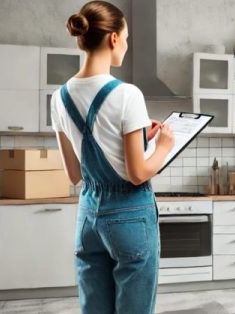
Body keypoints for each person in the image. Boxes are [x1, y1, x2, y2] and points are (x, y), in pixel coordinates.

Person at [51, 1, 174, 313]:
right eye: (127, 38)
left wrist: (136, 138)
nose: (128, 45)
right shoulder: (126, 94)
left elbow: (74, 173)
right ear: (114, 39)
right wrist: (163, 146)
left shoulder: (59, 97)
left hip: (88, 215)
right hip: (129, 215)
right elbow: (137, 173)